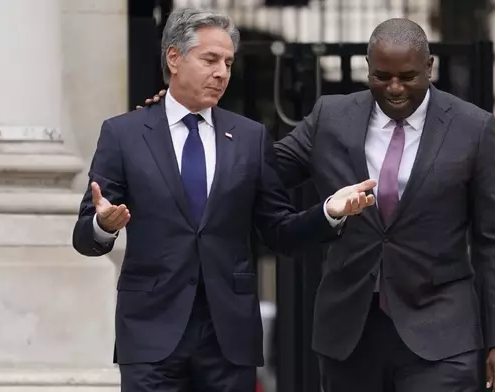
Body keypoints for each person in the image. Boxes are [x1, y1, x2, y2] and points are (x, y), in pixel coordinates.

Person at [142, 17, 495, 392]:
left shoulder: (473, 128)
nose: (394, 88)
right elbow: (257, 171)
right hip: (350, 334)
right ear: (368, 68)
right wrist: (182, 115)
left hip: (442, 335)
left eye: (408, 77)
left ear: (429, 67)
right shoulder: (332, 117)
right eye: (381, 76)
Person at [72, 8, 377, 392]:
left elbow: (278, 230)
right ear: (174, 58)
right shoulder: (124, 134)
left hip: (228, 337)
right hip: (151, 332)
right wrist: (103, 225)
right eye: (210, 59)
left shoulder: (250, 137)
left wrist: (329, 212)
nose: (222, 73)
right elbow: (84, 236)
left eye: (229, 62)